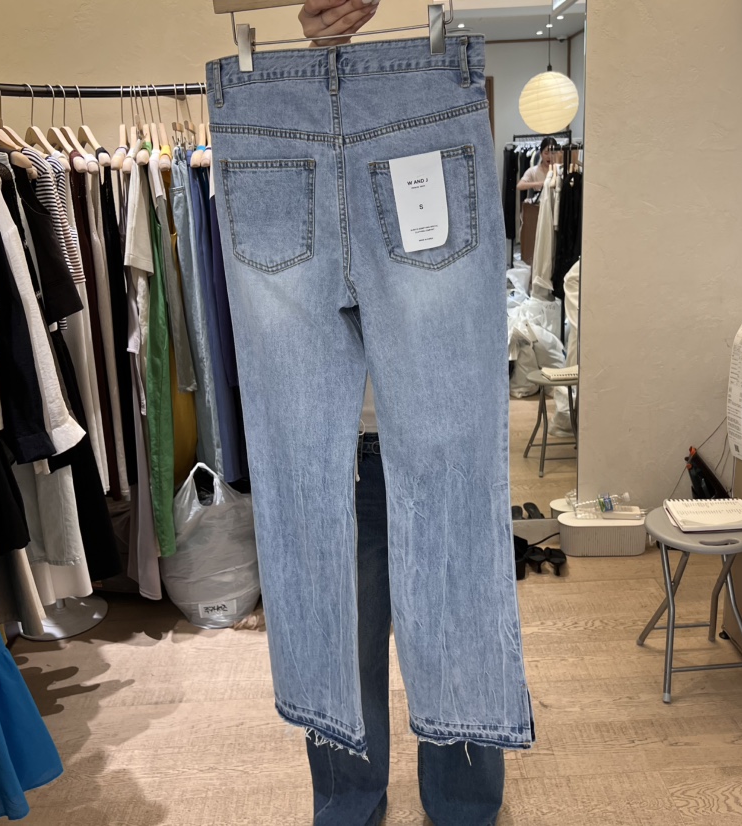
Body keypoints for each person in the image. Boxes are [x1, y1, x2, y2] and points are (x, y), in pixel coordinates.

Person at [297, 8, 507, 826]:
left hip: (437, 439)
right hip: (338, 451)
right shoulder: (299, 136)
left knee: (455, 622)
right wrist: (318, 53)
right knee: (342, 638)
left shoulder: (438, 121)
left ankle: (459, 803)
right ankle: (354, 800)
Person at [516, 136, 559, 200]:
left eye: (552, 153)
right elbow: (520, 185)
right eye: (546, 153)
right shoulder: (533, 170)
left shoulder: (559, 169)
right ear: (541, 154)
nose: (549, 156)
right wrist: (540, 184)